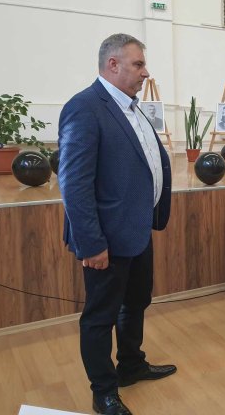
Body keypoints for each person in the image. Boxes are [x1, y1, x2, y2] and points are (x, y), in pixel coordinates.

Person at [58, 33, 175, 415]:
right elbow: (74, 184)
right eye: (138, 64)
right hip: (105, 239)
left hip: (137, 231)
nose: (145, 72)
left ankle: (131, 365)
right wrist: (91, 243)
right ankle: (104, 393)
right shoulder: (84, 108)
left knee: (136, 302)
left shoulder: (132, 108)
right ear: (113, 64)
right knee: (100, 317)